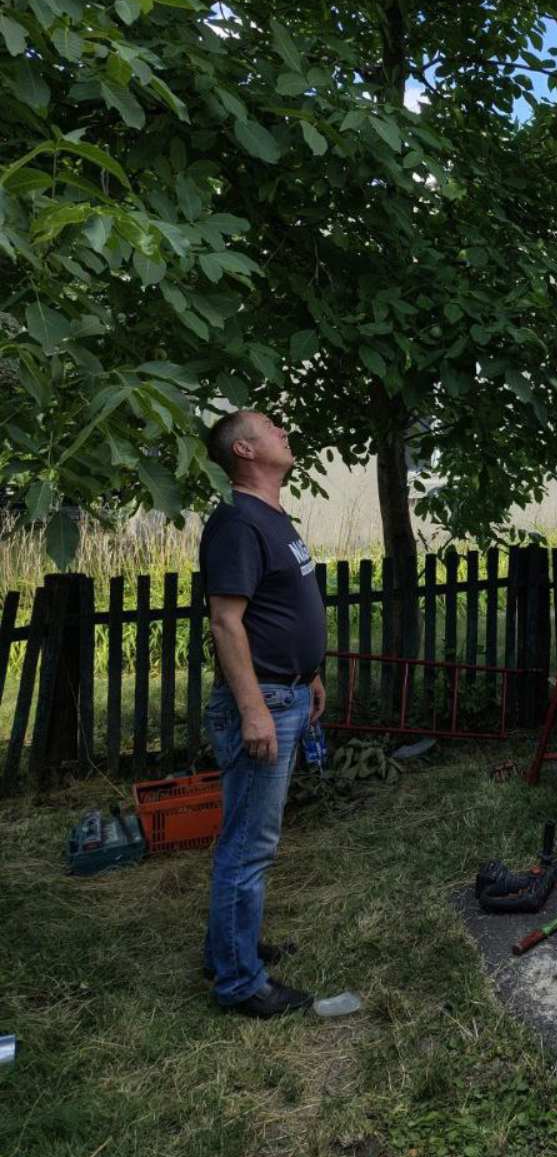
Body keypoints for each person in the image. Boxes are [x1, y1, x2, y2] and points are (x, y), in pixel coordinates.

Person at [199, 410, 327, 1017]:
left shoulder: (273, 517)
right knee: (249, 845)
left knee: (250, 838)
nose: (285, 432)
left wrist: (311, 673)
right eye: (272, 427)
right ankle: (239, 983)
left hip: (288, 691)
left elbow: (279, 607)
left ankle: (230, 949)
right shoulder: (237, 521)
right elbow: (226, 622)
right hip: (264, 700)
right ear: (244, 450)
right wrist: (253, 710)